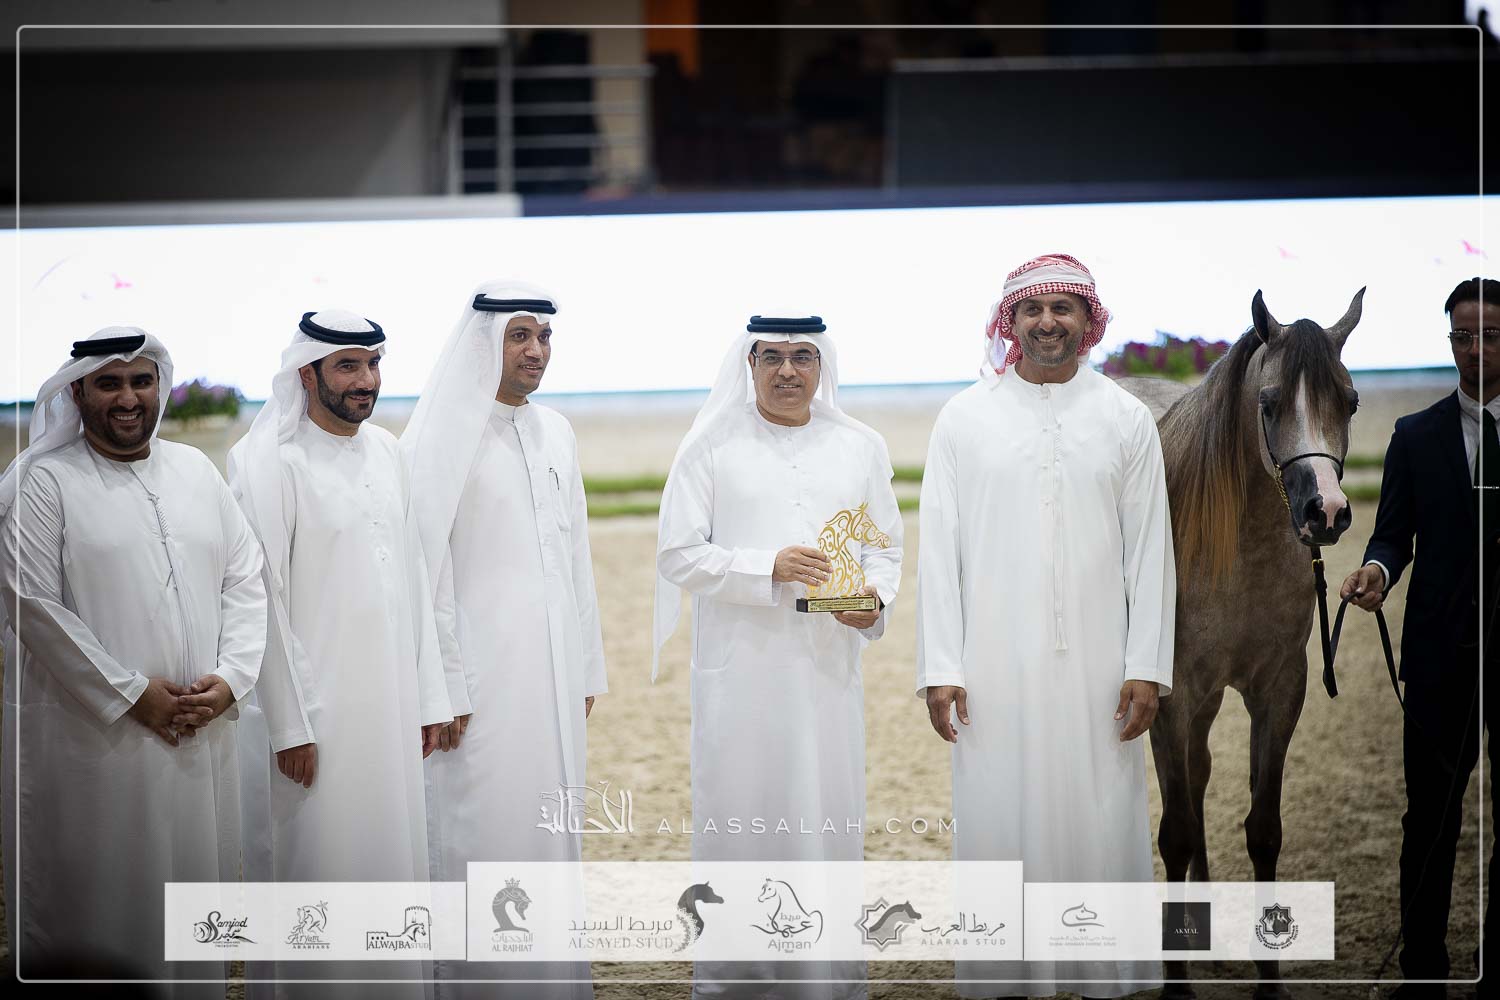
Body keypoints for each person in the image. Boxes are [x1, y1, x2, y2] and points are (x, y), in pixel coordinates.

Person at [916, 254, 1175, 998]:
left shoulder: (1124, 418)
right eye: (1031, 309)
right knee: (1000, 813)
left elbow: (1150, 552)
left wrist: (1147, 665)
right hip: (992, 667)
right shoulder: (964, 418)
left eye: (1062, 308)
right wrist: (941, 667)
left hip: (1101, 667)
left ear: (1088, 320)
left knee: (1100, 815)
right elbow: (938, 552)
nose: (1047, 322)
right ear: (1012, 322)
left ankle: (1103, 975)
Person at [0, 327, 266, 996]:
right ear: (77, 393)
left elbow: (245, 578)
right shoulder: (43, 482)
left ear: (160, 388)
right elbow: (31, 603)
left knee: (191, 898)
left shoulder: (195, 471)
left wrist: (231, 680)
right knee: (103, 897)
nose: (127, 398)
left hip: (199, 731)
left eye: (141, 381)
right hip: (94, 740)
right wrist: (131, 695)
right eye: (109, 383)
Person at [655, 314, 903, 1000]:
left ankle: (827, 979)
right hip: (741, 676)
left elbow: (883, 546)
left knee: (826, 815)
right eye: (773, 357)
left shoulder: (861, 446)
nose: (788, 371)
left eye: (802, 356)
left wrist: (874, 600)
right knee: (743, 817)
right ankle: (739, 983)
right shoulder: (710, 445)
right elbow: (677, 553)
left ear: (822, 365)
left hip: (827, 672)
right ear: (751, 363)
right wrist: (766, 566)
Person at [227, 309, 452, 998]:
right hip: (315, 718)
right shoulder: (268, 462)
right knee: (317, 871)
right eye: (348, 366)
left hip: (391, 709)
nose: (366, 380)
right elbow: (260, 601)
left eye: (373, 364)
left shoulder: (387, 452)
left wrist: (430, 699)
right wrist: (288, 725)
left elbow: (415, 579)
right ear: (307, 374)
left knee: (392, 862)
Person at [402, 281, 607, 998]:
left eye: (544, 336)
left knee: (549, 831)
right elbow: (425, 570)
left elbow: (575, 558)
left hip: (551, 681)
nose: (535, 351)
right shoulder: (438, 437)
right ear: (485, 342)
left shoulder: (556, 431)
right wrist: (445, 685)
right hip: (479, 686)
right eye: (519, 335)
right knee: (482, 832)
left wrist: (585, 669)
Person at [1339, 276, 1499, 995]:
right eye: (1462, 336)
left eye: (1489, 335)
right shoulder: (1414, 435)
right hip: (1439, 657)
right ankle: (1423, 973)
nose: (1475, 349)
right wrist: (1376, 571)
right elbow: (1391, 535)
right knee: (1430, 821)